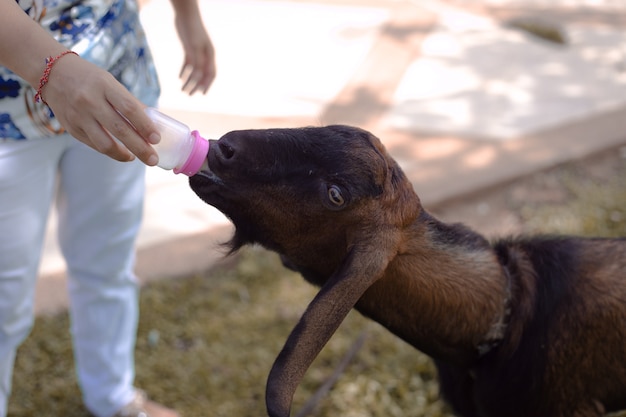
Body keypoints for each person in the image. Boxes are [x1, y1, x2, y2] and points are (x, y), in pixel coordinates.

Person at [0, 0, 216, 416]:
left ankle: (114, 397)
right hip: (7, 112)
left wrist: (186, 11)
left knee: (107, 261)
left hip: (114, 78)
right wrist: (56, 74)